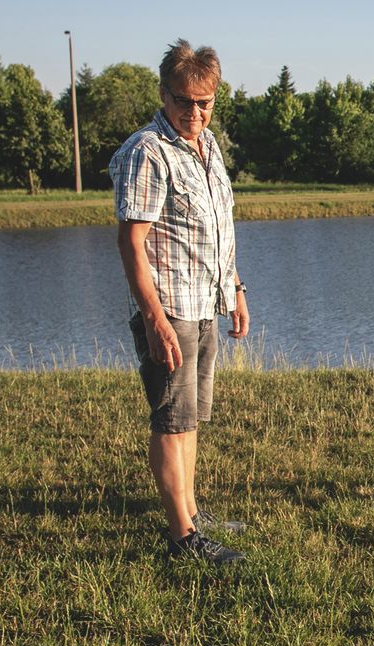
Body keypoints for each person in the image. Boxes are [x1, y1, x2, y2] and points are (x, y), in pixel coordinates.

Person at [109, 40, 250, 562]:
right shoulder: (148, 151)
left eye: (205, 102)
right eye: (184, 101)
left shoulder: (207, 145)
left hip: (204, 302)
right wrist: (155, 321)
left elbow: (217, 229)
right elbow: (131, 242)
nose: (195, 112)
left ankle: (190, 510)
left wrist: (234, 290)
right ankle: (181, 539)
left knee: (190, 417)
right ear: (164, 93)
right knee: (171, 420)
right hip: (168, 307)